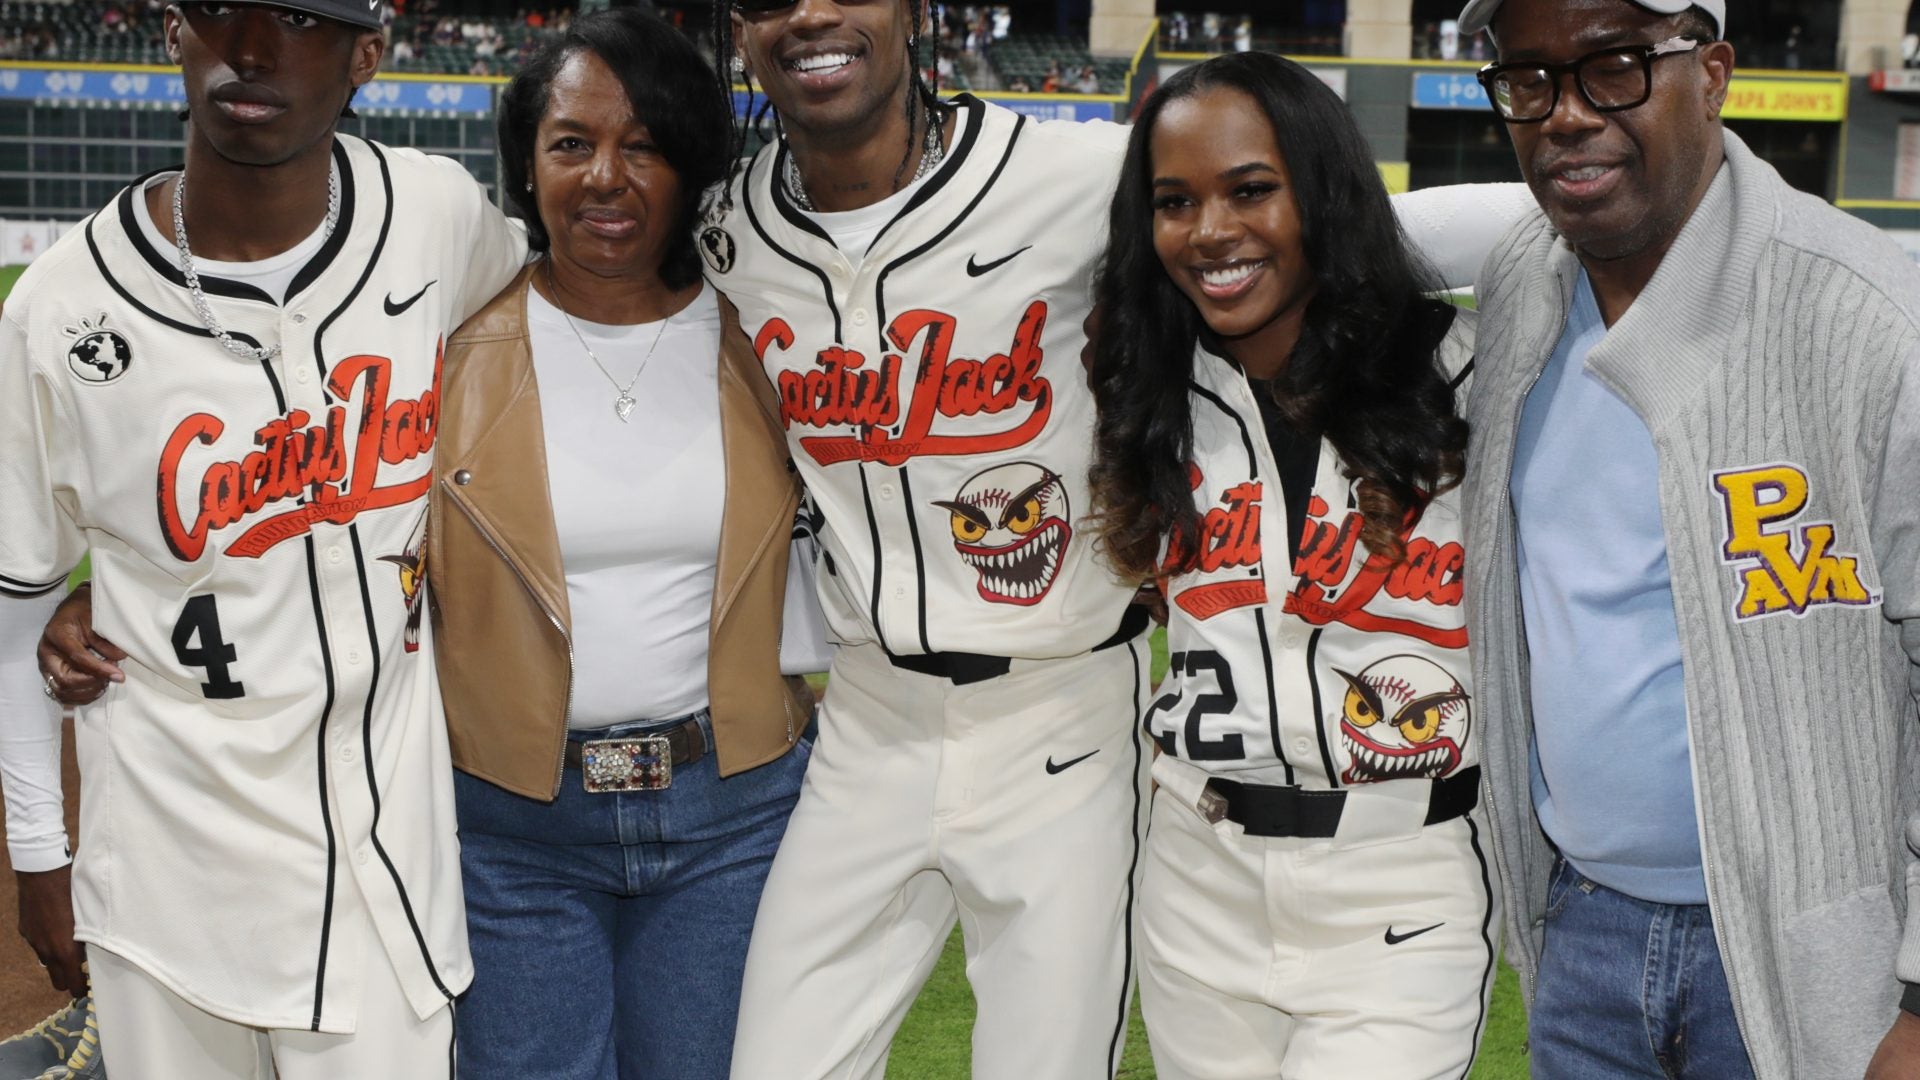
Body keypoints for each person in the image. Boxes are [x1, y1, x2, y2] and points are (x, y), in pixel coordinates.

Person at [703, 0, 1526, 1075]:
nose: (810, 12)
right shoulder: (728, 227)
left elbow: (1356, 222)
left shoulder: (1080, 178)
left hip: (1065, 707)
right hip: (869, 714)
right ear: (735, 29)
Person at [1, 0, 525, 1073]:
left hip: (386, 866)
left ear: (367, 54)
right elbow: (13, 607)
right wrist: (39, 855)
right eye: (221, 11)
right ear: (171, 30)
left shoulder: (430, 214)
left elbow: (545, 317)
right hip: (163, 879)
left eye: (299, 18)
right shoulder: (57, 310)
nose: (252, 49)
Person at [1456, 0, 1920, 1076]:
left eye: (1613, 67)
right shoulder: (1528, 275)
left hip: (1813, 961)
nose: (1566, 114)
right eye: (1529, 80)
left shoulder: (1870, 317)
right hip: (1581, 929)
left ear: (1712, 74)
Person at [1089, 51, 1498, 1079]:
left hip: (1401, 872)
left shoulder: (1471, 371)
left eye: (1253, 189)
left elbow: (1548, 223)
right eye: (1174, 202)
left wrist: (1379, 234)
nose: (1211, 230)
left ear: (1324, 188)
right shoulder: (1148, 388)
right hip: (1197, 868)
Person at [433, 10, 813, 1077]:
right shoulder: (446, 348)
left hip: (733, 819)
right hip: (510, 828)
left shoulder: (765, 336)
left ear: (691, 165)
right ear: (526, 163)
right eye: (571, 143)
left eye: (642, 144)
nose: (606, 176)